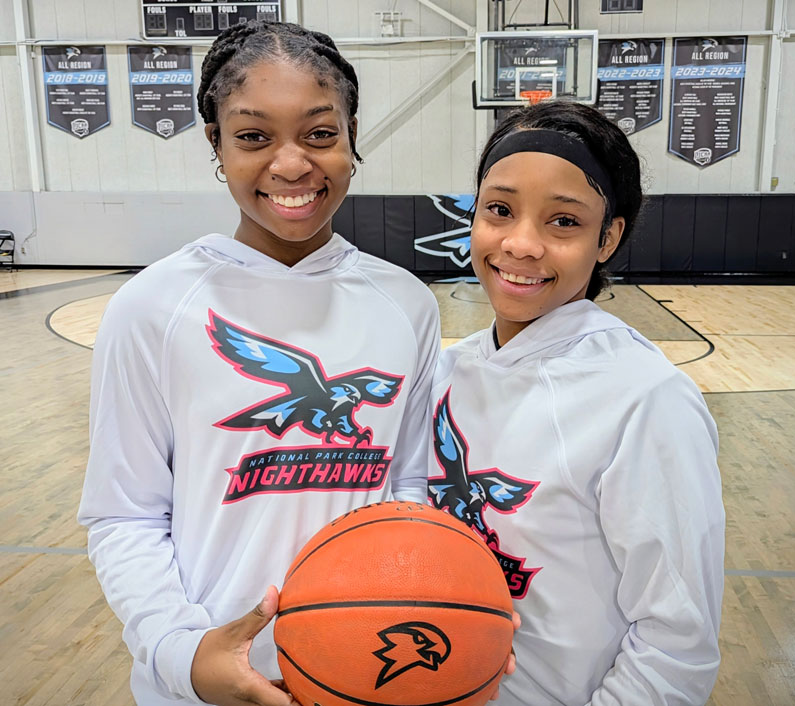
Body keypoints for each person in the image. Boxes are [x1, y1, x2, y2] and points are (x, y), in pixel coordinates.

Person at [78, 21, 441, 706]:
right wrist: (184, 655)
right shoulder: (152, 307)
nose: (292, 164)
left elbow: (408, 487)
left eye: (319, 133)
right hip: (198, 683)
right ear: (214, 143)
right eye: (252, 136)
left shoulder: (406, 304)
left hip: (367, 673)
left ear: (352, 133)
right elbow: (123, 515)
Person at [427, 100, 725, 705]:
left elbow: (677, 647)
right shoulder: (445, 371)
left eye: (563, 222)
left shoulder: (646, 398)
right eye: (500, 210)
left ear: (607, 236)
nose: (521, 244)